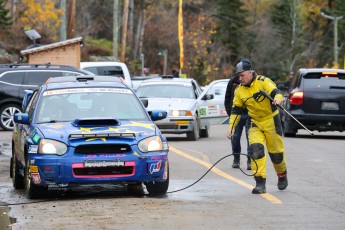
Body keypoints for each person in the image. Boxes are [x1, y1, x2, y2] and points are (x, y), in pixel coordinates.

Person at [226, 59, 288, 194]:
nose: (240, 78)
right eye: (238, 75)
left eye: (242, 75)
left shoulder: (263, 81)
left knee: (276, 153)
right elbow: (236, 110)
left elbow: (276, 92)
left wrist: (278, 98)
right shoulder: (239, 90)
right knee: (255, 150)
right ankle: (260, 183)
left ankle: (282, 175)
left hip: (271, 120)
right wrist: (231, 127)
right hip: (254, 122)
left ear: (250, 73)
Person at [224, 71, 251, 170]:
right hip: (236, 114)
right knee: (235, 138)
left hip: (249, 114)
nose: (241, 77)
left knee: (251, 138)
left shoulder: (254, 82)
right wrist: (230, 113)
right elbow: (227, 98)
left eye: (243, 74)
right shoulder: (233, 81)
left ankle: (250, 161)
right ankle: (236, 158)